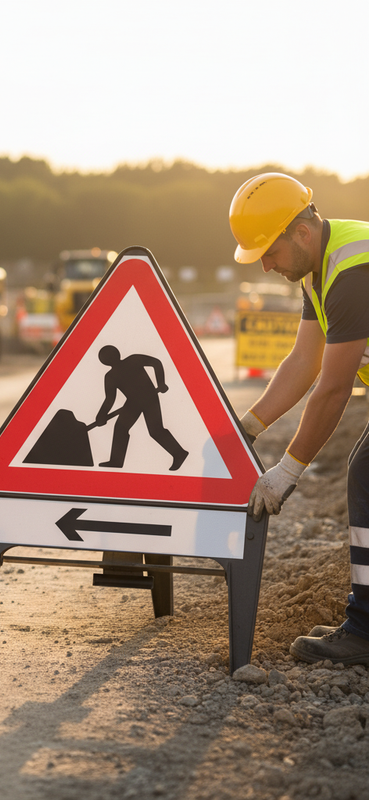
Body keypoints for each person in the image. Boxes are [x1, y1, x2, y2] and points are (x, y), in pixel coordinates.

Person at [230, 172, 369, 665]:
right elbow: (303, 363)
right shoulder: (318, 268)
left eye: (269, 252)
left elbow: (332, 388)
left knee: (366, 476)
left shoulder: (352, 271)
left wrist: (287, 472)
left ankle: (365, 631)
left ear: (302, 233)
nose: (265, 266)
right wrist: (248, 428)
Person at [94, 345, 188, 470]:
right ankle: (116, 461)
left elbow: (156, 363)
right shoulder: (111, 376)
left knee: (156, 430)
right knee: (120, 428)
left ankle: (179, 453)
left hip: (149, 398)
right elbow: (110, 398)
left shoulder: (133, 360)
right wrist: (101, 415)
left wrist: (161, 382)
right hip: (133, 403)